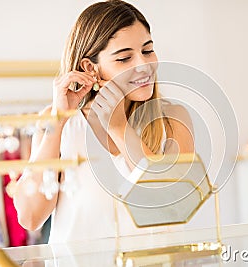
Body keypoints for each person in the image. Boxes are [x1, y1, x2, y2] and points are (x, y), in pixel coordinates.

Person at [13, 0, 194, 244]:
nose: (143, 65)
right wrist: (58, 122)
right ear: (90, 68)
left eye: (147, 50)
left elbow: (172, 208)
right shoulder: (58, 124)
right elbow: (30, 217)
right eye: (124, 58)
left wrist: (119, 128)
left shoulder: (172, 119)